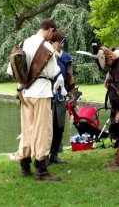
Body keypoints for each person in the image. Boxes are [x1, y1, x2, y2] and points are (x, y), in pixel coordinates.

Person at [8, 19, 61, 181]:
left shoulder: (23, 43)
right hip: (41, 93)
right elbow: (53, 72)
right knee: (43, 131)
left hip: (25, 92)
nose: (52, 36)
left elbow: (11, 70)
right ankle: (41, 170)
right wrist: (55, 54)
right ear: (50, 30)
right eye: (53, 33)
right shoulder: (46, 47)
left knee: (27, 129)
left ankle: (25, 166)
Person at [49, 30, 75, 165]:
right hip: (46, 95)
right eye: (59, 42)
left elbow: (70, 78)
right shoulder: (46, 55)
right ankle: (44, 155)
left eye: (62, 42)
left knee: (59, 126)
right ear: (53, 41)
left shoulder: (66, 58)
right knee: (47, 126)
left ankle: (54, 154)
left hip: (60, 95)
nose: (61, 45)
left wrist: (72, 95)